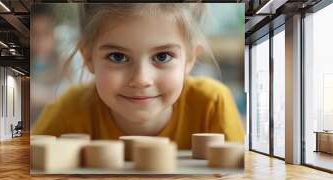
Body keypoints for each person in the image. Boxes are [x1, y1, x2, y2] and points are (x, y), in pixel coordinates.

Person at [32, 3, 245, 149]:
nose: (142, 79)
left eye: (162, 56)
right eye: (117, 57)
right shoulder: (68, 110)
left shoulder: (213, 105)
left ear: (189, 60)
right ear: (88, 58)